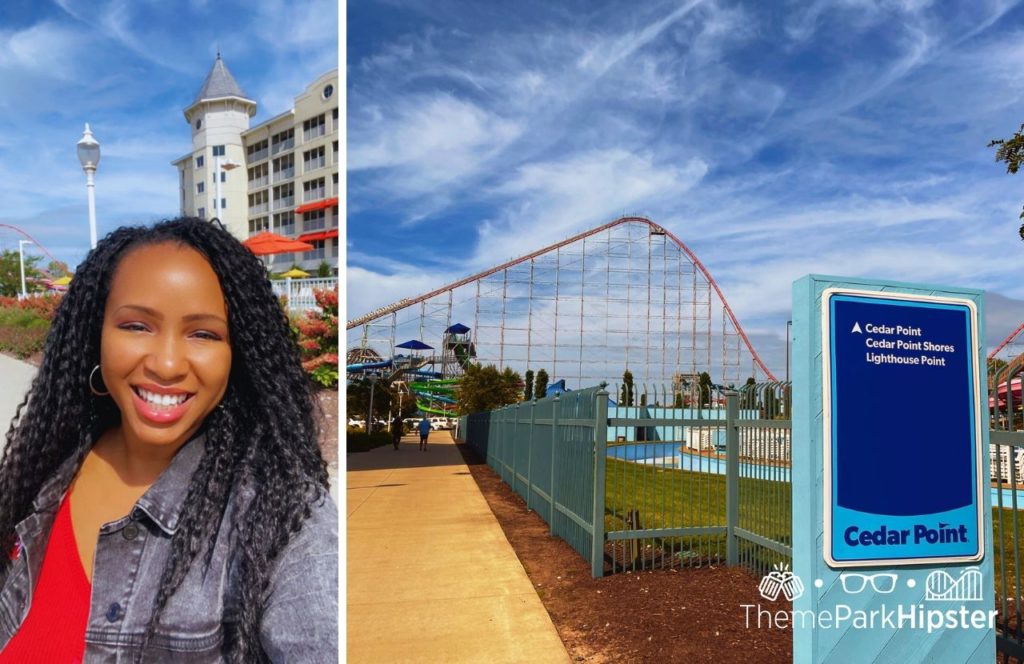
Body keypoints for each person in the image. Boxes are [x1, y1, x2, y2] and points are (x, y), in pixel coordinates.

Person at [0, 218, 336, 662]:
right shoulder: (42, 474)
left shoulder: (283, 514)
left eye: (203, 334)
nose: (167, 363)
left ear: (236, 356)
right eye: (137, 326)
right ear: (94, 335)